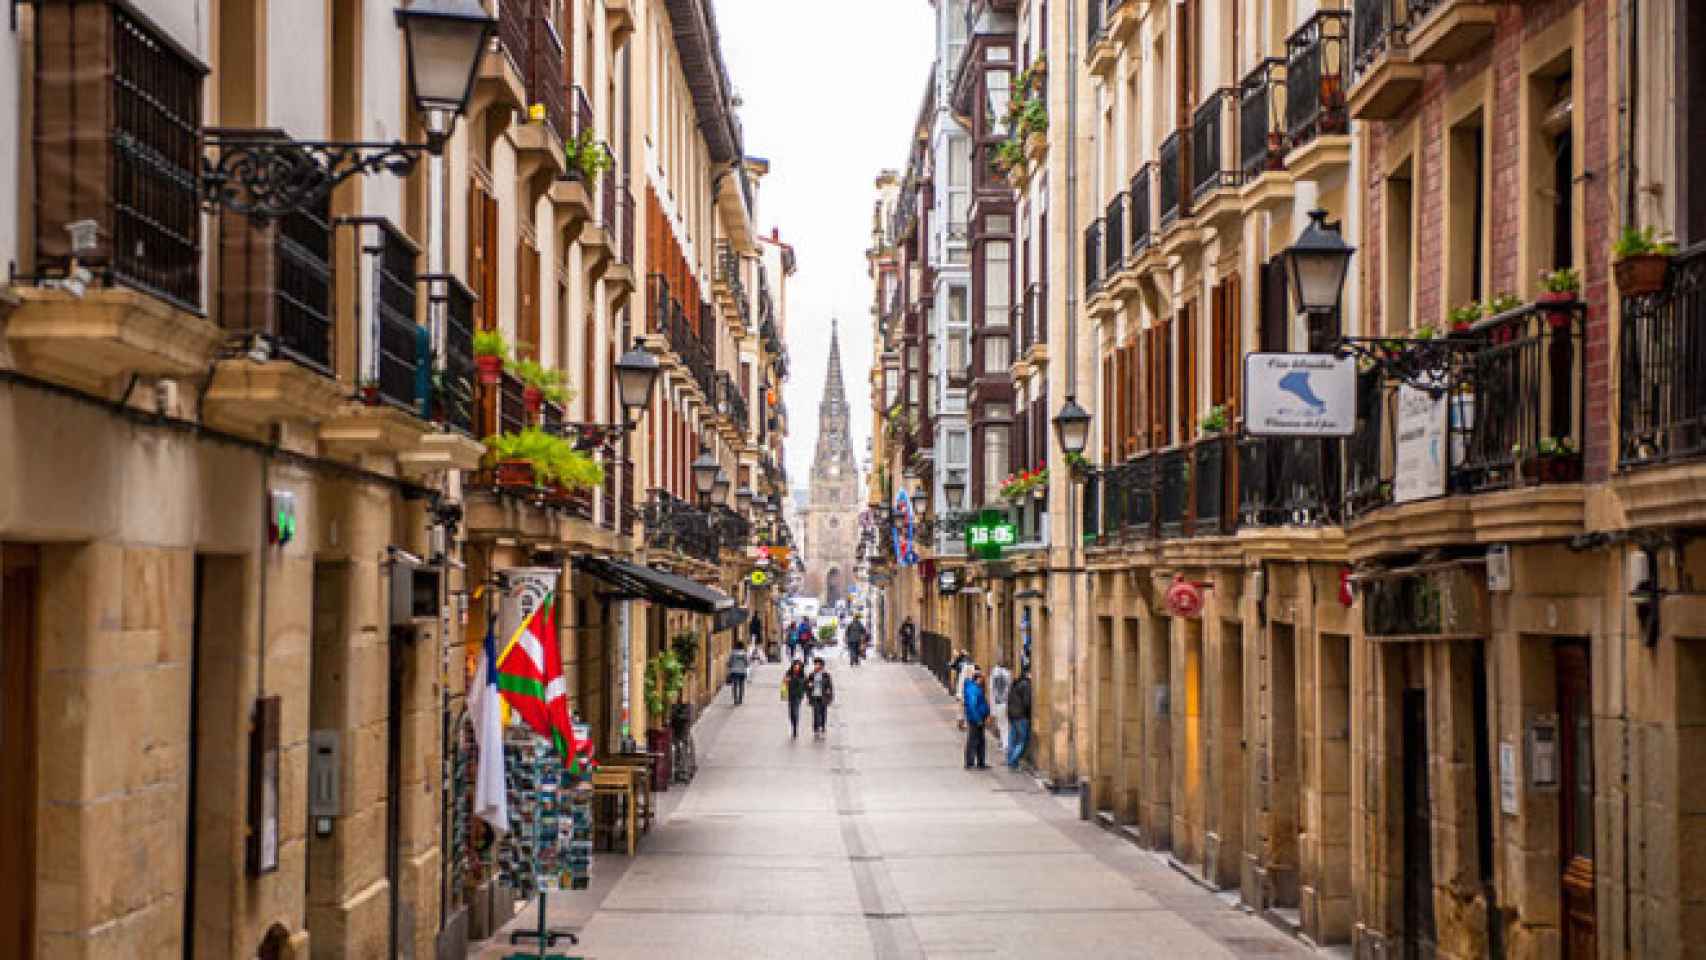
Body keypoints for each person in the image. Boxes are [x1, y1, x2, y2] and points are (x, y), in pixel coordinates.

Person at [962, 665, 990, 769]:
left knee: (980, 740)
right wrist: (978, 719)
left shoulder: (975, 688)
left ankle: (980, 762)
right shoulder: (973, 689)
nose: (983, 682)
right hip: (976, 719)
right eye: (981, 679)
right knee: (973, 740)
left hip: (978, 718)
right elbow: (972, 706)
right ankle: (970, 762)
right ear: (977, 679)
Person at [1006, 668, 1032, 769]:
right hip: (1021, 716)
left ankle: (1011, 760)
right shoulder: (1026, 685)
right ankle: (1012, 761)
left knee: (1012, 739)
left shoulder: (1015, 684)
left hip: (1012, 715)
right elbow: (1027, 702)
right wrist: (1029, 715)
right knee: (1022, 740)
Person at [806, 657, 835, 739]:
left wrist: (830, 697)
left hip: (823, 697)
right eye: (816, 664)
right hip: (814, 696)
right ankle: (816, 729)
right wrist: (809, 694)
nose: (817, 666)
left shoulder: (826, 675)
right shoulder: (811, 675)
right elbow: (807, 686)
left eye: (819, 664)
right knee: (815, 713)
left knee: (822, 713)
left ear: (822, 666)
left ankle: (822, 725)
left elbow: (830, 687)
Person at [988, 660, 1013, 753]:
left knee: (1001, 724)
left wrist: (992, 709)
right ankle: (1005, 743)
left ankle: (1004, 743)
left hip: (998, 703)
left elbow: (992, 692)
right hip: (1006, 703)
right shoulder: (1008, 674)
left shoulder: (993, 675)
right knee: (1006, 725)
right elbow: (1009, 689)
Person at [783, 661, 808, 738]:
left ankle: (795, 728)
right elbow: (784, 683)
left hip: (798, 695)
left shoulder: (802, 675)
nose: (796, 668)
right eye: (795, 666)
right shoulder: (789, 673)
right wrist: (786, 682)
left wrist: (806, 695)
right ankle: (793, 725)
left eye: (798, 666)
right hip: (790, 695)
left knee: (795, 711)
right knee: (791, 713)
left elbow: (805, 685)